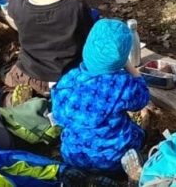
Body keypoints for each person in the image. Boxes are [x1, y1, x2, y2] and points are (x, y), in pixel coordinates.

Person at [51, 19, 150, 173]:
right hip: (115, 159)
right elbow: (142, 99)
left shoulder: (68, 80)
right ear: (122, 59)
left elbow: (58, 116)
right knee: (139, 134)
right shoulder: (122, 83)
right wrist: (133, 70)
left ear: (86, 47)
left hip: (73, 156)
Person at [6, 0, 95, 100]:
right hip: (68, 76)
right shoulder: (76, 9)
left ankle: (28, 102)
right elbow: (90, 40)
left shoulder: (17, 6)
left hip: (30, 74)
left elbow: (16, 1)